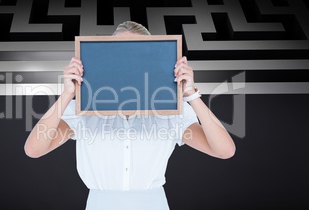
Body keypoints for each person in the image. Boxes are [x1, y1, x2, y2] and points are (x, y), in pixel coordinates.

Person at [24, 21, 235, 210]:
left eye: (138, 55)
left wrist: (191, 94)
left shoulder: (170, 110)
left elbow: (224, 150)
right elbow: (34, 149)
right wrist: (67, 94)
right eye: (120, 55)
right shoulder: (84, 110)